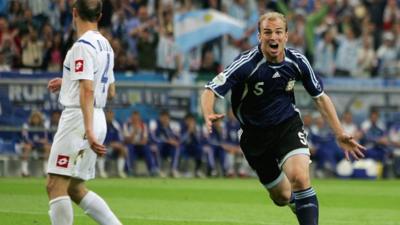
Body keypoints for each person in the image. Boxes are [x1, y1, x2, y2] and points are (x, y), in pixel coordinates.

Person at [201, 12, 365, 225]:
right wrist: (207, 111)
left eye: (278, 32)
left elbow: (320, 98)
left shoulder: (297, 61)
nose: (273, 37)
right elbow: (210, 89)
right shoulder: (246, 64)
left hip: (287, 125)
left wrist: (340, 132)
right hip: (254, 136)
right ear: (259, 36)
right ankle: (299, 205)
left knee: (299, 177)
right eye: (267, 32)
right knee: (281, 197)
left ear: (286, 36)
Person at [45, 0, 122, 224]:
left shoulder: (82, 45)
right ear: (99, 16)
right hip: (96, 116)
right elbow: (111, 91)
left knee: (55, 185)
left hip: (80, 119)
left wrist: (87, 129)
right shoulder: (106, 45)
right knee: (75, 188)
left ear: (74, 13)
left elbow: (88, 90)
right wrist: (69, 80)